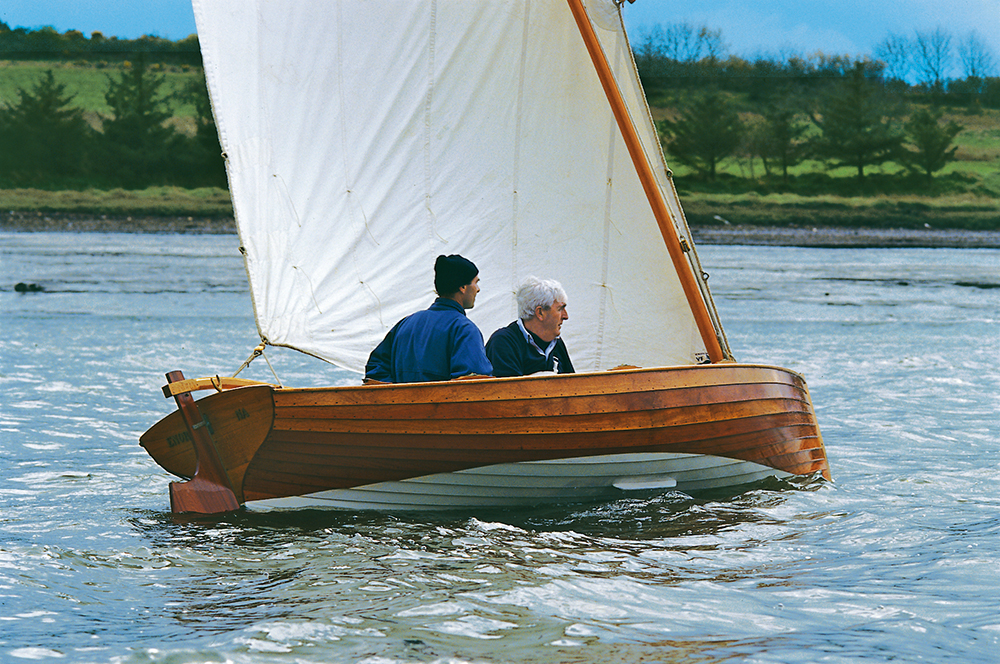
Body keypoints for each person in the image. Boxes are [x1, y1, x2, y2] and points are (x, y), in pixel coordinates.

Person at [364, 254, 493, 383]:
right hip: (443, 403)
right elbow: (475, 384)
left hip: (403, 403)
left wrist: (397, 396)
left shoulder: (404, 324)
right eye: (476, 282)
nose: (478, 289)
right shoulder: (464, 329)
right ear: (463, 287)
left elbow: (375, 371)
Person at [486, 276, 574, 378]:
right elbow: (509, 391)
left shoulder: (556, 343)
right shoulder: (503, 342)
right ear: (540, 313)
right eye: (560, 309)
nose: (565, 316)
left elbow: (574, 387)